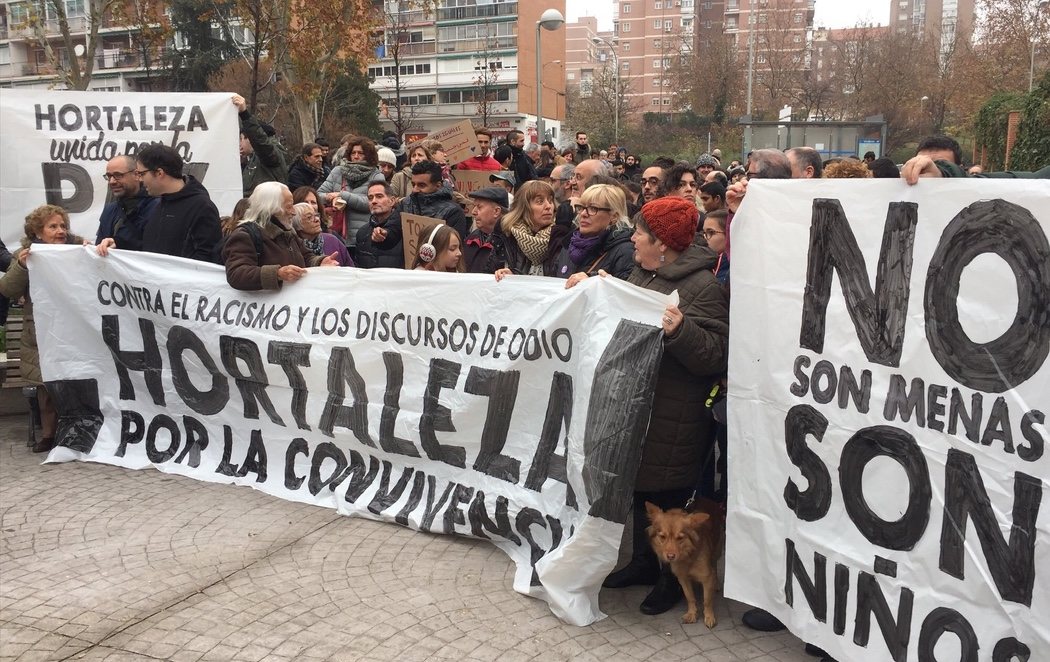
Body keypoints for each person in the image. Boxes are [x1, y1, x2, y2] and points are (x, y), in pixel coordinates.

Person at [577, 196, 728, 616]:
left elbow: (715, 353)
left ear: (662, 243)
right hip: (637, 410)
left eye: (640, 234)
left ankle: (671, 580)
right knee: (641, 496)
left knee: (671, 503)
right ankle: (644, 564)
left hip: (673, 416)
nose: (634, 241)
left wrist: (681, 330)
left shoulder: (703, 288)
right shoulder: (642, 274)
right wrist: (596, 289)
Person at [0, 205, 87, 453]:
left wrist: (95, 251)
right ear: (38, 232)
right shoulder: (26, 255)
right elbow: (7, 289)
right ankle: (48, 435)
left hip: (74, 331)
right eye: (53, 226)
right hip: (39, 335)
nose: (60, 231)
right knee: (46, 388)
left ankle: (78, 431)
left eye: (63, 226)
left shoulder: (80, 249)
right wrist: (21, 266)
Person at [222, 181, 337, 291]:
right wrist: (278, 274)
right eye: (289, 206)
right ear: (272, 208)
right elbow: (236, 274)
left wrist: (320, 261)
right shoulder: (245, 235)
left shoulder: (287, 232)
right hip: (265, 308)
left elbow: (306, 257)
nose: (294, 212)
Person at [131, 144, 222, 263]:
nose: (140, 180)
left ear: (159, 173)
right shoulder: (158, 205)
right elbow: (148, 246)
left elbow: (207, 258)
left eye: (142, 174)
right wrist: (117, 244)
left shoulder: (202, 207)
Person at [318, 136, 386, 253]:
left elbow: (371, 203)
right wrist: (330, 197)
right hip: (336, 234)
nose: (356, 156)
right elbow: (318, 195)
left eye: (360, 153)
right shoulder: (338, 171)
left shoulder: (376, 175)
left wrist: (343, 195)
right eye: (353, 152)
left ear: (369, 155)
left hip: (363, 236)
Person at [494, 180, 571, 279]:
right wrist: (510, 276)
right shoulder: (506, 233)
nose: (548, 206)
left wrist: (561, 232)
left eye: (550, 201)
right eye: (540, 201)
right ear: (524, 207)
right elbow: (489, 274)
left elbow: (563, 274)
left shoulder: (562, 232)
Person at [562, 184, 635, 282]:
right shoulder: (569, 244)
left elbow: (624, 293)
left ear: (614, 216)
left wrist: (592, 280)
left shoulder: (624, 251)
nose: (583, 214)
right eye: (581, 207)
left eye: (593, 208)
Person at [95, 154, 158, 251]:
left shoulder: (157, 207)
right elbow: (99, 248)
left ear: (136, 175)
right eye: (109, 176)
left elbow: (157, 249)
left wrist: (120, 244)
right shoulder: (109, 210)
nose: (112, 181)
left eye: (118, 175)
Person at [397, 160, 470, 240]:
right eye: (413, 184)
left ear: (438, 185)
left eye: (421, 185)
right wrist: (384, 233)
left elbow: (453, 245)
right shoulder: (405, 203)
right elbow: (393, 230)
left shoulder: (454, 212)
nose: (415, 189)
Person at [234, 94, 288, 196]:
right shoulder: (251, 160)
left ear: (250, 138)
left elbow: (261, 143)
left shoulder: (269, 154)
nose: (239, 144)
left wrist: (244, 114)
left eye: (241, 139)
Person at [356, 182, 404, 269]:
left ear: (392, 201)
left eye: (379, 196)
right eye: (370, 198)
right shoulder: (362, 232)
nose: (373, 201)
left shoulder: (403, 229)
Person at [463, 187, 509, 274]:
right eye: (474, 207)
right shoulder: (471, 238)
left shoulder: (511, 242)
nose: (473, 212)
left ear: (496, 211)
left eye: (479, 207)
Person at [293, 202, 353, 267]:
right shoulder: (293, 247)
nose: (317, 219)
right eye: (309, 217)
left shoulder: (332, 240)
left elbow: (350, 268)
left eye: (316, 215)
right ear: (297, 224)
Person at [700, 208, 729, 286]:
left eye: (711, 232)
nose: (705, 237)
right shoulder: (705, 263)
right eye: (704, 233)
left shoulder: (735, 269)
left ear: (728, 234)